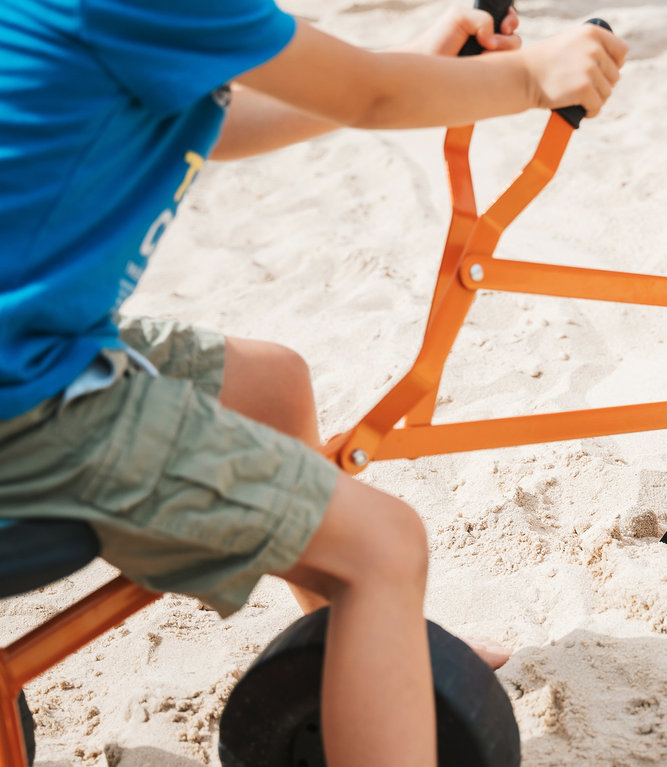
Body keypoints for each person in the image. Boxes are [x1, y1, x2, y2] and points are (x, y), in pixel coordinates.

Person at [0, 1, 627, 765]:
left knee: (269, 385)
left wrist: (408, 57)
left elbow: (215, 120)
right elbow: (372, 93)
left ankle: (371, 655)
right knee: (384, 546)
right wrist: (531, 74)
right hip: (23, 400)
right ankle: (373, 615)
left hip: (34, 348)